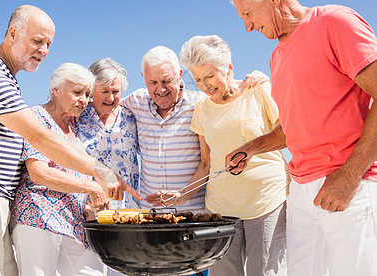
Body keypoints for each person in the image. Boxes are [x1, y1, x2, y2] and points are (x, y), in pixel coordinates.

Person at [0, 5, 139, 275]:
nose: (44, 51)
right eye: (37, 41)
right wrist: (99, 172)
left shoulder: (9, 80)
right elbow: (38, 136)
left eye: (48, 44)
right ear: (13, 34)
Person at [229, 0, 377, 275]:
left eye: (248, 14)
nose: (247, 26)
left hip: (349, 184)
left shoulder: (335, 21)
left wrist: (349, 177)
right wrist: (252, 148)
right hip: (301, 193)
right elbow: (291, 128)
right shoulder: (276, 57)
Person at [155, 35, 289, 276]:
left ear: (229, 69)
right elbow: (206, 163)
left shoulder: (258, 90)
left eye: (209, 76)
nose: (205, 85)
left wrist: (251, 148)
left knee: (266, 272)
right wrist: (180, 196)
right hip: (221, 210)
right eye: (197, 79)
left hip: (266, 200)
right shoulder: (202, 108)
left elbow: (287, 135)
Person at [122, 46, 268, 214]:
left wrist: (254, 80)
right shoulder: (136, 101)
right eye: (152, 82)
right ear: (143, 78)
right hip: (150, 214)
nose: (160, 89)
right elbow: (103, 104)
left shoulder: (202, 103)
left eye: (167, 81)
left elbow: (231, 99)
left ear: (180, 75)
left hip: (194, 214)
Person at [10, 63, 107, 275]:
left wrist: (88, 205)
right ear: (55, 89)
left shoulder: (76, 126)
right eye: (77, 92)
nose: (83, 99)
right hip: (37, 216)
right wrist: (91, 188)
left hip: (73, 220)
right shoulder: (36, 117)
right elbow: (39, 173)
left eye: (87, 94)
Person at [78, 58, 140, 211]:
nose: (111, 98)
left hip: (128, 209)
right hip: (89, 208)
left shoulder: (131, 117)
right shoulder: (77, 117)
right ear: (91, 90)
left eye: (115, 92)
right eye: (105, 91)